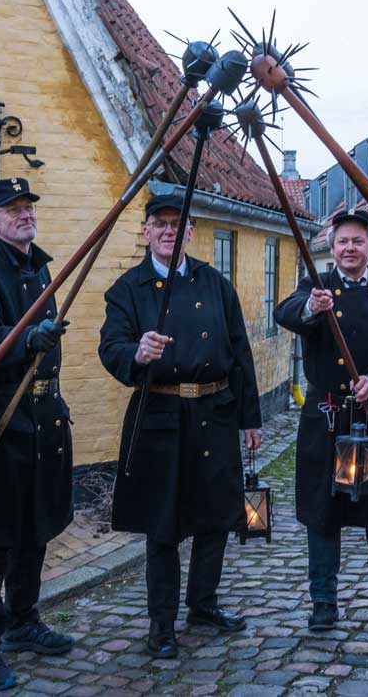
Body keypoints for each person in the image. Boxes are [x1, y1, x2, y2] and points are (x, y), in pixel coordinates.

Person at [97, 193, 264, 659]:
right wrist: (136, 353)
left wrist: (250, 418)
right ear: (146, 230)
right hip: (160, 419)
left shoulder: (214, 283)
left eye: (178, 224)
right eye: (160, 224)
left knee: (216, 519)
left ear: (191, 231)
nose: (169, 231)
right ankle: (161, 623)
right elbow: (110, 347)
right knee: (164, 527)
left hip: (214, 414)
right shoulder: (128, 288)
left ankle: (203, 604)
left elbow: (239, 352)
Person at [275, 208, 368, 632]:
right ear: (331, 248)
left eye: (358, 241)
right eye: (343, 241)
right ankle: (323, 599)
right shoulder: (315, 288)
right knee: (324, 511)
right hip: (327, 417)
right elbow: (284, 314)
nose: (350, 248)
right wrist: (310, 307)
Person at [0, 177, 74, 690]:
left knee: (36, 529)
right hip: (3, 420)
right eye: (12, 209)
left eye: (28, 207)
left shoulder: (40, 266)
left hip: (44, 421)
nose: (24, 214)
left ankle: (24, 621)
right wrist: (26, 338)